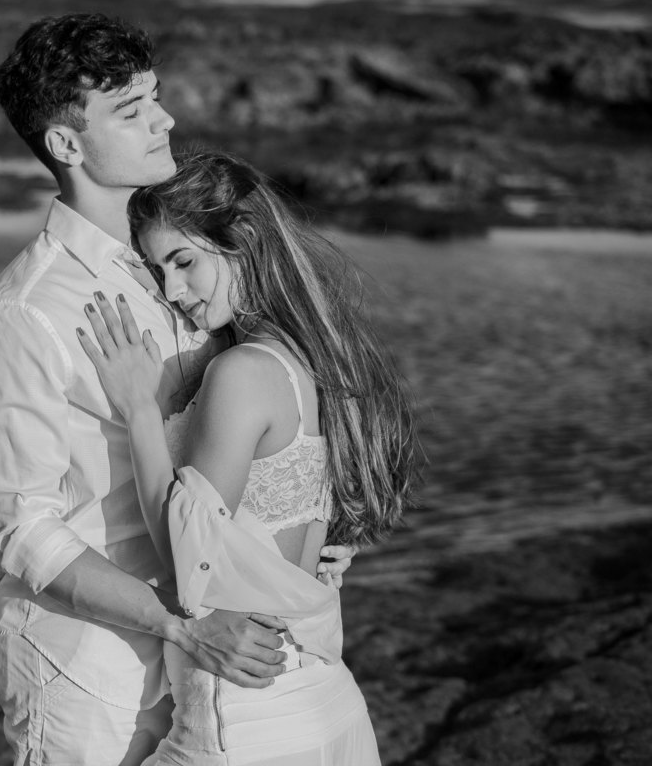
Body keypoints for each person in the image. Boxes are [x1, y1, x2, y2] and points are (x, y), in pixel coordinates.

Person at [0, 15, 357, 765]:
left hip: (216, 655)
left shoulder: (182, 262)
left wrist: (299, 545)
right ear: (66, 145)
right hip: (88, 666)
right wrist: (180, 624)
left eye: (156, 97)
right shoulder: (27, 314)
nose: (164, 119)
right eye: (131, 109)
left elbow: (242, 451)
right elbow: (20, 527)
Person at [77, 150, 420, 764]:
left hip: (240, 723)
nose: (173, 291)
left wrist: (141, 410)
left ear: (245, 242)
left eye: (184, 262)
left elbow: (189, 565)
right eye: (159, 272)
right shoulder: (312, 361)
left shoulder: (241, 372)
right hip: (319, 702)